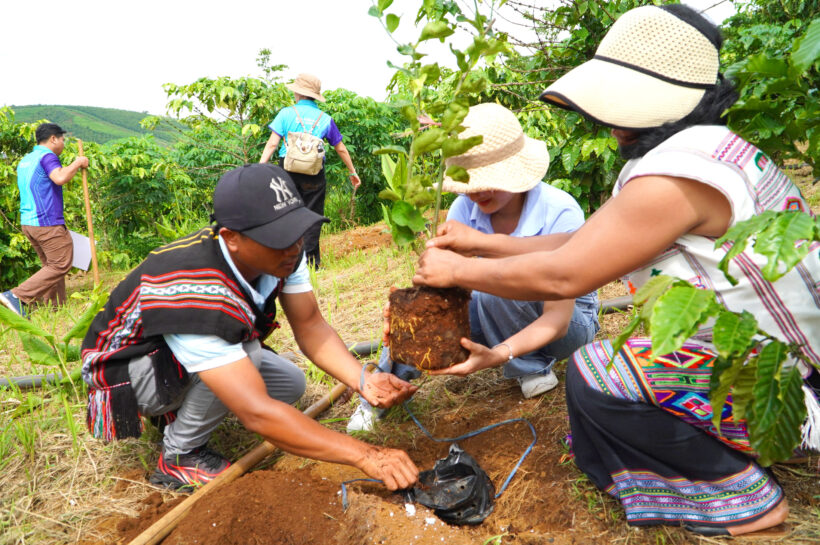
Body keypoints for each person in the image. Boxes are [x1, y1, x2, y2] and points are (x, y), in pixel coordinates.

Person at [412, 4, 819, 537]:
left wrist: (457, 271)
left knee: (599, 374)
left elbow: (565, 275)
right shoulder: (708, 152)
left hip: (786, 386)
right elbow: (587, 242)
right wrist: (472, 244)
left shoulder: (674, 177)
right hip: (789, 363)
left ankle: (742, 497)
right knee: (594, 398)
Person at [81, 163, 418, 492]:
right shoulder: (195, 288)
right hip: (127, 374)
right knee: (249, 356)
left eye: (296, 230)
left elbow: (311, 325)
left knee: (289, 383)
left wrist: (364, 380)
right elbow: (257, 414)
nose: (294, 246)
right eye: (278, 237)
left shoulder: (285, 254)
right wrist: (366, 455)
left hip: (167, 359)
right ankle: (179, 455)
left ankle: (180, 411)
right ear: (231, 238)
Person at [347, 103, 599, 433]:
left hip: (566, 326)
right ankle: (380, 390)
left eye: (489, 179)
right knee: (421, 313)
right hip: (495, 310)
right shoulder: (463, 208)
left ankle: (532, 366)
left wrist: (501, 354)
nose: (478, 191)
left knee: (497, 280)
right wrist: (410, 310)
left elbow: (557, 319)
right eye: (471, 181)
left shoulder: (559, 210)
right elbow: (451, 286)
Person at [259, 73, 361, 268]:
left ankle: (287, 262)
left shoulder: (286, 114)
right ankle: (312, 263)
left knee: (287, 212)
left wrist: (260, 167)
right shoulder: (325, 118)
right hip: (314, 172)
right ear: (314, 96)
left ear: (298, 92)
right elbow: (340, 147)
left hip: (287, 169)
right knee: (312, 215)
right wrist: (352, 172)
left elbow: (272, 144)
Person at [0, 123, 89, 317]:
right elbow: (59, 178)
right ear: (53, 139)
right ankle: (16, 295)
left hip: (29, 223)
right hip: (47, 222)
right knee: (60, 265)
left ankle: (55, 308)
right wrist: (78, 162)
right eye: (62, 139)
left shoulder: (27, 159)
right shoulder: (47, 156)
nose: (63, 143)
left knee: (52, 267)